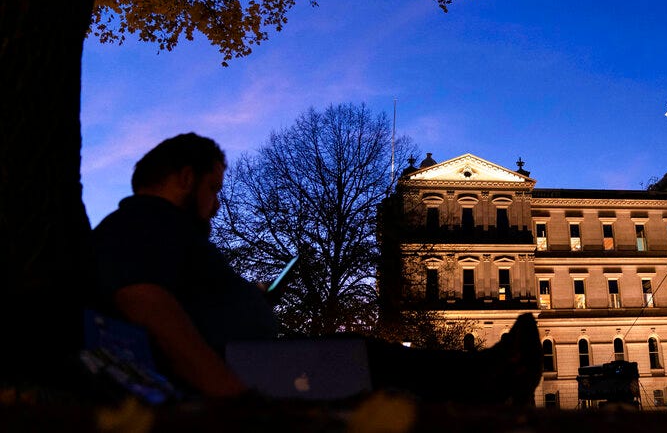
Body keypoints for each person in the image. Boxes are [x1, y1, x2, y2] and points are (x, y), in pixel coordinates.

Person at [92, 133, 541, 403]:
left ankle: (488, 372)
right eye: (212, 188)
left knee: (362, 355)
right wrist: (230, 393)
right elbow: (147, 305)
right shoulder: (145, 222)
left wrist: (252, 299)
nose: (215, 205)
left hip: (250, 359)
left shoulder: (155, 230)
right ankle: (489, 376)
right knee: (366, 357)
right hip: (240, 370)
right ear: (185, 179)